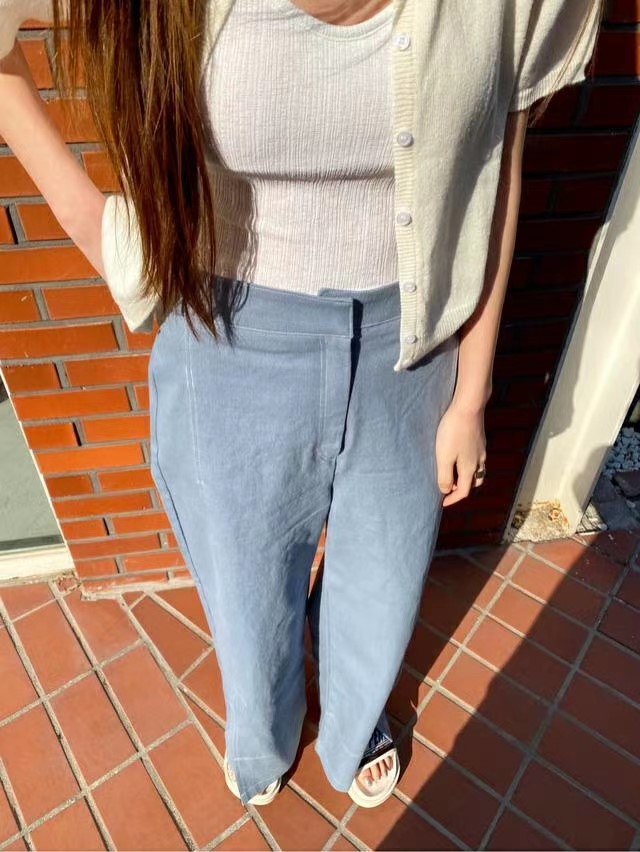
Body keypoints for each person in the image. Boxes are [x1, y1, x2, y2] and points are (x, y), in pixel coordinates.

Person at [0, 0, 602, 809]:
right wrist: (94, 224)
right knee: (246, 588)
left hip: (413, 342)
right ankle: (260, 731)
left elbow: (500, 164)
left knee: (386, 573)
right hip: (232, 335)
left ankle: (355, 721)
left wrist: (472, 392)